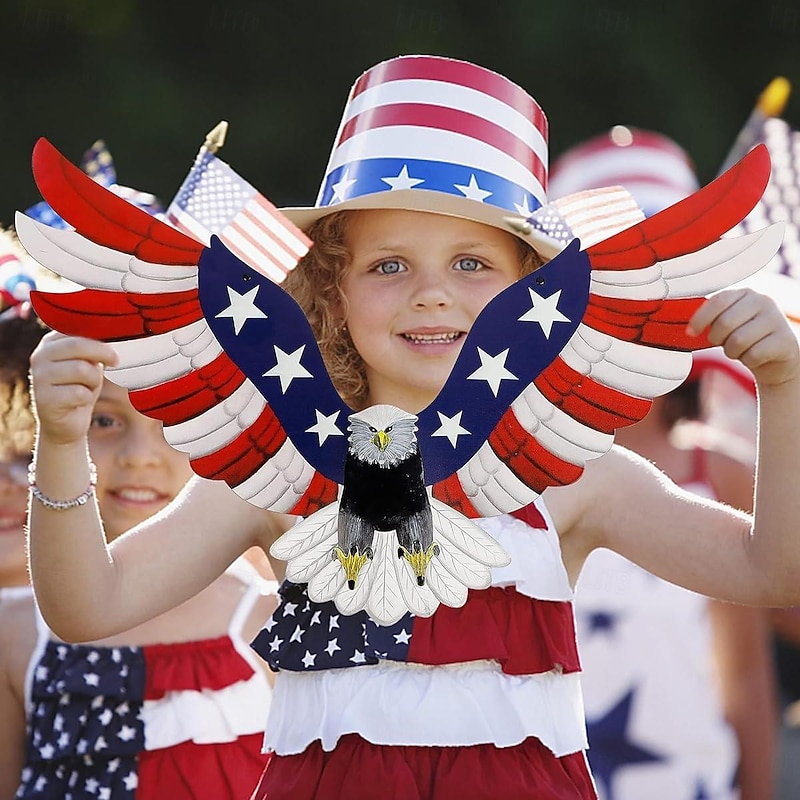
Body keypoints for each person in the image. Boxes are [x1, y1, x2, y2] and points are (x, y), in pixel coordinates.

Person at [22, 55, 800, 800]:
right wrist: (59, 444)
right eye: (388, 265)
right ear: (332, 291)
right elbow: (89, 608)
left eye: (472, 263)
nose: (432, 293)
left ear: (533, 291)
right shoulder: (281, 464)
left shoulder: (575, 473)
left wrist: (786, 386)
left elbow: (773, 574)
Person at [0, 225, 277, 798]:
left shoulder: (274, 614)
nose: (140, 457)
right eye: (104, 421)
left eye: (177, 423)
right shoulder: (14, 633)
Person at [548, 126, 778, 800]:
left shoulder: (721, 471)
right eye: (606, 283)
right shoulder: (510, 468)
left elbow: (746, 676)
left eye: (658, 281)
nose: (631, 309)